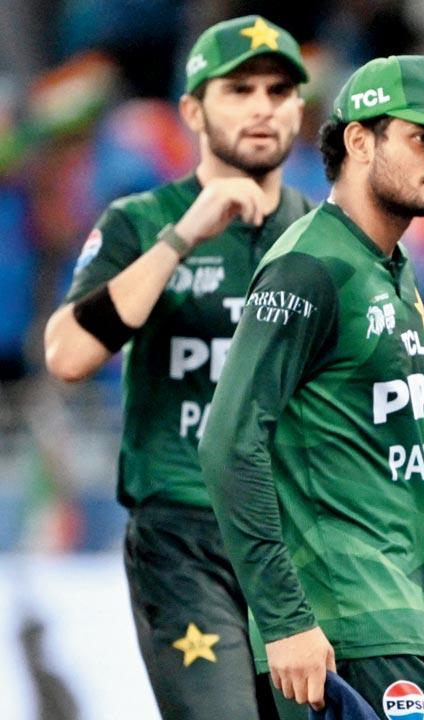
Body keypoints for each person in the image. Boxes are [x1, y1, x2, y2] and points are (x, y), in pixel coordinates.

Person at [198, 55, 424, 718]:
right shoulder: (310, 267)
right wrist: (284, 619)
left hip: (391, 616)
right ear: (360, 140)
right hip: (336, 628)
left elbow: (400, 456)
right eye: (423, 139)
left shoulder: (393, 268)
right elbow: (227, 442)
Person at [42, 16, 310, 719]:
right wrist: (185, 235)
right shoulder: (142, 220)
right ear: (192, 110)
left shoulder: (327, 238)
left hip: (304, 541)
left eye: (279, 90)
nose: (261, 106)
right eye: (238, 89)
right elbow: (68, 353)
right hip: (184, 536)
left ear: (300, 109)